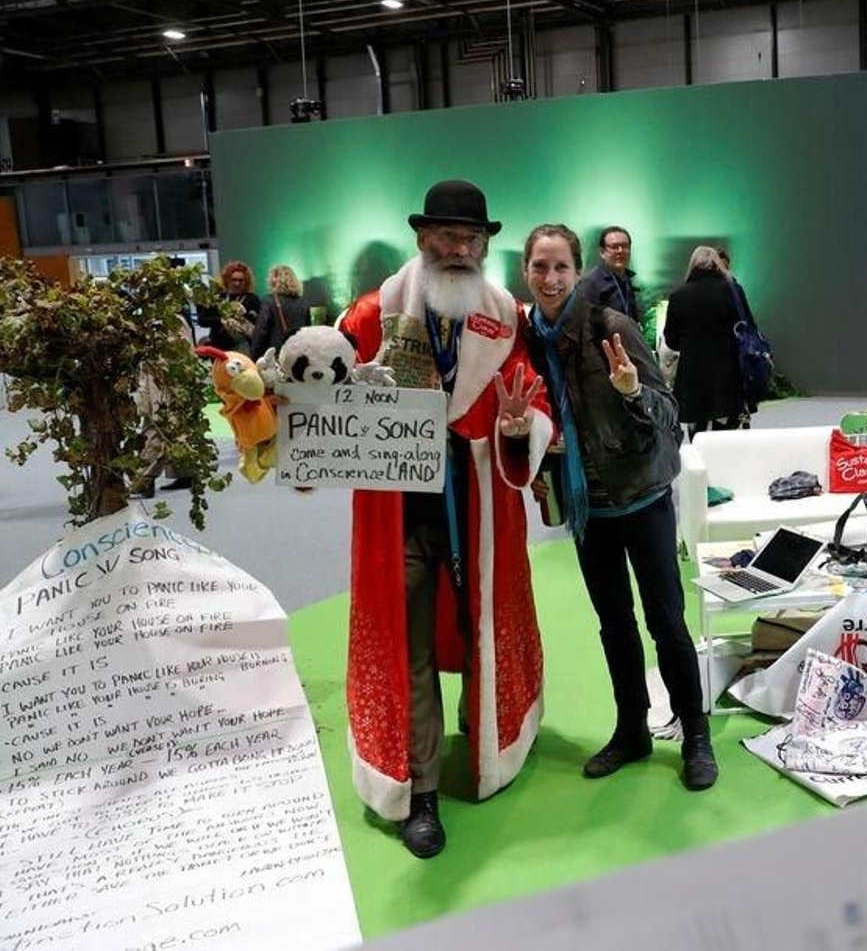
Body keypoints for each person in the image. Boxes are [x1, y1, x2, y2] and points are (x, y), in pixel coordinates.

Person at [338, 179, 554, 859]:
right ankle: (421, 789)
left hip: (479, 507)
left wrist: (524, 425)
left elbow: (530, 393)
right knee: (411, 643)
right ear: (421, 238)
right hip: (399, 515)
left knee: (480, 626)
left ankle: (485, 732)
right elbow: (324, 390)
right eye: (446, 236)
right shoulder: (371, 315)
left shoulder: (505, 316)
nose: (459, 248)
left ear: (485, 245)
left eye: (471, 238)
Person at [522, 223, 718, 791]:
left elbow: (670, 415)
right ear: (526, 272)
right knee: (614, 625)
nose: (551, 278)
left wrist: (632, 390)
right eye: (540, 266)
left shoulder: (612, 327)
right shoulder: (531, 338)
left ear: (578, 271)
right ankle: (631, 728)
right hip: (590, 511)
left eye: (561, 267)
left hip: (643, 497)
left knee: (667, 624)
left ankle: (696, 733)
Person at [664, 246, 747, 439]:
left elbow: (671, 340)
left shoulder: (679, 295)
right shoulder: (733, 290)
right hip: (727, 370)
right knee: (725, 429)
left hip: (693, 373)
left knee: (697, 431)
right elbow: (747, 326)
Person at [574, 225, 640, 324]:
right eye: (614, 247)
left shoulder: (628, 279)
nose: (620, 251)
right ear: (602, 252)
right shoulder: (590, 283)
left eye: (625, 246)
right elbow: (582, 324)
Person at [196, 259, 261, 352]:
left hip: (243, 345)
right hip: (219, 345)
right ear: (227, 279)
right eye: (233, 280)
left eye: (241, 280)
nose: (237, 283)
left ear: (246, 281)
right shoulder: (217, 298)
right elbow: (202, 320)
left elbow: (260, 323)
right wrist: (221, 321)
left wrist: (244, 319)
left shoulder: (252, 299)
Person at [249, 264, 312, 358]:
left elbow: (261, 331)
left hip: (276, 354)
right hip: (299, 353)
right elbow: (308, 330)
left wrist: (254, 355)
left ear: (275, 281)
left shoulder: (269, 301)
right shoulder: (303, 302)